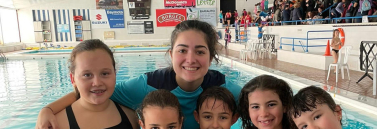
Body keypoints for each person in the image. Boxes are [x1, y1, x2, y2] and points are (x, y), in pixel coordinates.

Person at [36, 20, 242, 129]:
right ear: (171, 55)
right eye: (182, 50)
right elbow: (97, 90)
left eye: (200, 51)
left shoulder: (225, 89)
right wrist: (47, 109)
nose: (190, 59)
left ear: (211, 56)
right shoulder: (147, 85)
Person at [54, 39, 139, 129]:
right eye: (87, 75)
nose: (97, 83)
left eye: (105, 73)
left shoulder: (131, 117)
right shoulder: (56, 123)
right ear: (73, 79)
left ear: (115, 74)